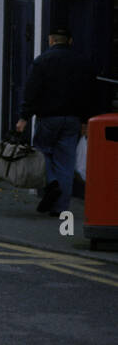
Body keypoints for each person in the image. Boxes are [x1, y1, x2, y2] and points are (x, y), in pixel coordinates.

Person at [15, 24, 101, 216]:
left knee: (41, 153)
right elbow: (91, 94)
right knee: (66, 163)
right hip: (72, 120)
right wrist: (86, 121)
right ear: (70, 41)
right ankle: (61, 208)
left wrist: (24, 118)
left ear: (51, 40)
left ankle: (51, 182)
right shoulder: (83, 63)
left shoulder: (42, 62)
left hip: (47, 119)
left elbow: (31, 92)